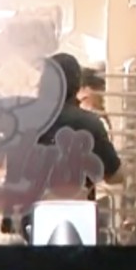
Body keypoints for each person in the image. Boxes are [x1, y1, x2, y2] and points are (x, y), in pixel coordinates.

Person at [38, 52, 122, 194]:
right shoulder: (89, 123)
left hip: (25, 210)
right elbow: (114, 176)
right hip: (77, 210)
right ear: (78, 84)